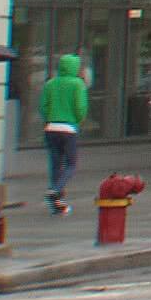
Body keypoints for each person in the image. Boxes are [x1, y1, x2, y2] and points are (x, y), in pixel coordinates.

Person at [40, 53, 88, 215]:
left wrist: (48, 119)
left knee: (55, 165)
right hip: (69, 128)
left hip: (51, 128)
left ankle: (57, 203)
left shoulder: (50, 83)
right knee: (71, 164)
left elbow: (44, 106)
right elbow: (80, 107)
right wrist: (78, 121)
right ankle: (55, 190)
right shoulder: (77, 84)